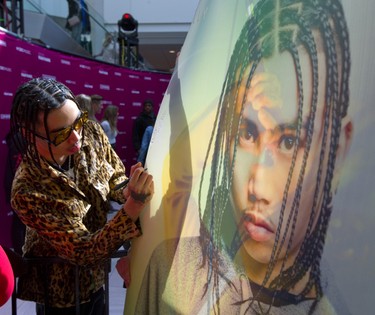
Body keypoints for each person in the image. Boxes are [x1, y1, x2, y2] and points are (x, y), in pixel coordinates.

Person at [134, 0, 353, 314]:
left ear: (338, 151)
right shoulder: (173, 272)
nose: (258, 187)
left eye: (289, 141)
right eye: (248, 133)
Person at [9, 78, 153, 315]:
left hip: (96, 282)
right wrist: (134, 205)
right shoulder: (27, 190)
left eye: (78, 122)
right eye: (61, 133)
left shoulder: (91, 134)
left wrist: (126, 190)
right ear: (29, 134)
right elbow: (83, 250)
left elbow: (114, 176)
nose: (76, 137)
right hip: (59, 299)